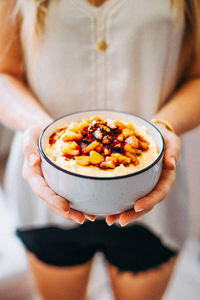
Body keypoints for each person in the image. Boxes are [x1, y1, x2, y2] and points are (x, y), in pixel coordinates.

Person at [0, 0, 200, 299]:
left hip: (151, 192)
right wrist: (41, 130)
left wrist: (163, 126)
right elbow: (4, 74)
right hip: (47, 190)